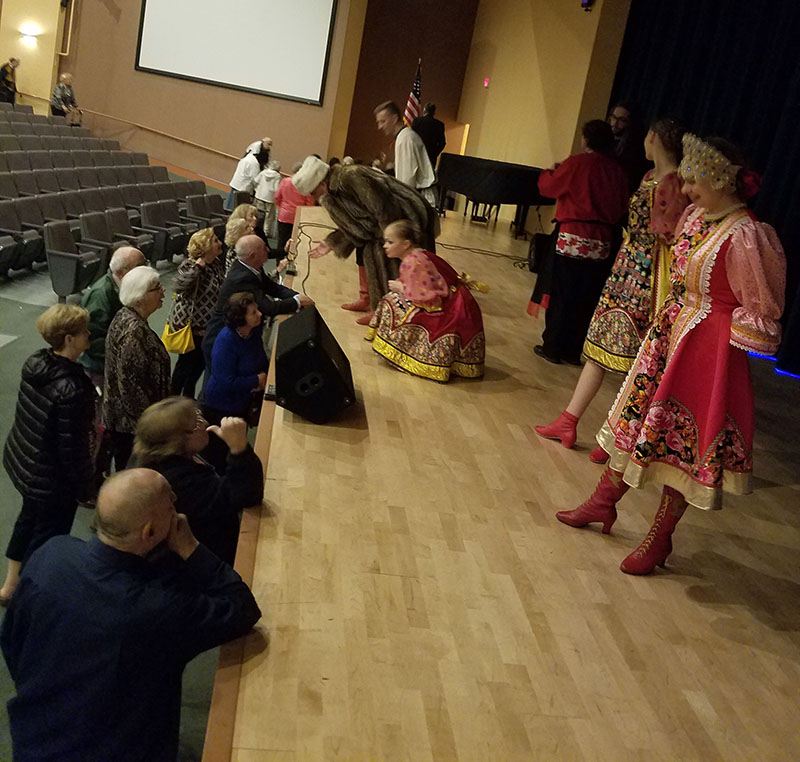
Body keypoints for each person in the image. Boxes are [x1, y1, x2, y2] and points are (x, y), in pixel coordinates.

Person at [555, 134, 786, 575]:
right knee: (638, 421)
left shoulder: (745, 235)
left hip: (706, 348)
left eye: (697, 180)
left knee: (681, 444)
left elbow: (759, 304)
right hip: (672, 334)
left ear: (723, 181)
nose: (688, 189)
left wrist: (719, 341)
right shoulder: (699, 217)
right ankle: (603, 502)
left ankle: (659, 539)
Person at [0, 468, 261, 762]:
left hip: (34, 739)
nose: (177, 506)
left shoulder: (51, 553)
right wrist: (190, 547)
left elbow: (11, 641)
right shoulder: (156, 610)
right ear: (149, 532)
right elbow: (241, 607)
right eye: (171, 505)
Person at [535, 118, 689, 461]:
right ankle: (569, 419)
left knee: (642, 362)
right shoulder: (649, 178)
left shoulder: (675, 183)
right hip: (627, 268)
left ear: (654, 139)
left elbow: (671, 235)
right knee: (601, 345)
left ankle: (620, 435)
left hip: (651, 274)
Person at [0, 304, 95, 605]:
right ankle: (27, 599)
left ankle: (9, 586)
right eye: (83, 332)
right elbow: (72, 450)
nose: (88, 335)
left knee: (26, 522)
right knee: (46, 541)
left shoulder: (36, 363)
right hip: (51, 481)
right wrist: (85, 487)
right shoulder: (72, 388)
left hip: (26, 463)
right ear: (69, 339)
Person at [295, 156, 439, 327]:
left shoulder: (351, 177)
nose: (313, 197)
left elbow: (384, 208)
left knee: (390, 259)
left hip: (406, 216)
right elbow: (360, 226)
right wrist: (331, 242)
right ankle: (375, 304)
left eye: (312, 192)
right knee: (371, 248)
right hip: (385, 222)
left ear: (321, 184)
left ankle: (394, 315)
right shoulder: (333, 193)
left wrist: (391, 241)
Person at [531, 120, 629, 365]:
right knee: (586, 298)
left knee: (562, 294)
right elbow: (621, 207)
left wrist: (548, 172)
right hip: (602, 242)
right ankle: (573, 351)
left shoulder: (576, 163)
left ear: (586, 139)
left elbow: (549, 187)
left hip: (572, 238)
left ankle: (553, 346)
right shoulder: (616, 170)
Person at [130, 399, 263, 565]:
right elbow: (246, 495)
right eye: (196, 424)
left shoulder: (157, 454)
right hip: (202, 564)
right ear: (176, 441)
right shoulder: (177, 482)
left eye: (199, 415)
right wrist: (239, 449)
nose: (205, 423)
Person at [367, 220, 485, 381]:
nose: (385, 246)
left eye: (390, 242)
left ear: (405, 244)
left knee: (391, 302)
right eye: (385, 242)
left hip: (451, 310)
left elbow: (429, 297)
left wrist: (401, 288)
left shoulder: (414, 261)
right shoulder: (416, 255)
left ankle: (406, 352)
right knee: (394, 299)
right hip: (450, 302)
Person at [202, 235, 312, 371]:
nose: (267, 249)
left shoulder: (251, 267)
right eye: (264, 248)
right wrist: (296, 302)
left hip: (238, 335)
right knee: (218, 380)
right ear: (253, 255)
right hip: (219, 340)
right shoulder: (243, 277)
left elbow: (273, 288)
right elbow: (268, 308)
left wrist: (298, 296)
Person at [104, 266, 170, 471]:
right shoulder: (133, 332)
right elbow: (131, 390)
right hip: (131, 428)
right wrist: (150, 428)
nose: (163, 291)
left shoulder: (127, 316)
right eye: (156, 288)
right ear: (140, 296)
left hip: (127, 423)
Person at [167, 229, 225, 398]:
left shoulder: (216, 264)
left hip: (207, 326)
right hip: (191, 327)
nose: (220, 243)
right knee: (185, 366)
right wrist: (199, 266)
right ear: (205, 247)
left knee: (199, 365)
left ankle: (188, 397)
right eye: (215, 241)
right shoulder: (190, 265)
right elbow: (179, 285)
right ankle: (172, 399)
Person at [79, 246, 147, 387]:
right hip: (100, 368)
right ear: (121, 272)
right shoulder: (99, 297)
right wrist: (122, 357)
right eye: (139, 267)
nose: (144, 271)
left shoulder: (123, 287)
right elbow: (92, 340)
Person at [204, 292, 268, 423]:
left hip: (244, 399)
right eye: (253, 313)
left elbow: (260, 356)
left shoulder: (253, 330)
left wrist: (265, 374)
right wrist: (256, 380)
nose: (260, 314)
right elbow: (225, 382)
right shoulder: (226, 342)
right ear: (240, 319)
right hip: (223, 407)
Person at [374, 100, 437, 206]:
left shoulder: (406, 139)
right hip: (417, 199)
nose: (379, 127)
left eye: (383, 121)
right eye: (378, 122)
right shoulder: (403, 137)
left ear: (394, 119)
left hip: (420, 201)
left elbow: (407, 182)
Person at [608, 101, 650, 194]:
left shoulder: (635, 149)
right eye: (613, 117)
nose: (615, 123)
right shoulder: (605, 140)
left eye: (622, 120)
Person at [274, 162, 315, 256]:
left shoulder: (285, 181)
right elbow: (310, 203)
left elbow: (277, 197)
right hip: (298, 217)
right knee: (295, 242)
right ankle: (291, 261)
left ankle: (279, 261)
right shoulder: (306, 185)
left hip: (283, 216)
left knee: (282, 240)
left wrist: (282, 207)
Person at [227, 144, 269, 210]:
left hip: (236, 186)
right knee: (238, 211)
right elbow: (255, 179)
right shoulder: (254, 163)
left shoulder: (246, 158)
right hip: (243, 190)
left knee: (230, 208)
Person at [412, 102, 447, 169]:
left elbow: (412, 138)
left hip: (416, 155)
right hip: (431, 158)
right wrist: (434, 153)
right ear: (434, 112)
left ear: (424, 110)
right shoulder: (439, 125)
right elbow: (442, 143)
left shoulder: (417, 121)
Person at [253, 159, 282, 239]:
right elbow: (276, 189)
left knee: (259, 214)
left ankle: (256, 228)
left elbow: (255, 180)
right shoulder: (277, 176)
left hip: (259, 196)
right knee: (269, 216)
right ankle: (266, 232)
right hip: (270, 199)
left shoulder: (263, 172)